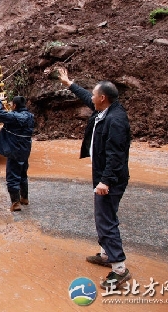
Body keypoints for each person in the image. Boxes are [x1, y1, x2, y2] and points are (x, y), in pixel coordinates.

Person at [57, 67, 132, 290]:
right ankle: (106, 254)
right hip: (103, 175)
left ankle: (119, 268)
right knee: (104, 216)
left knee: (105, 220)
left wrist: (105, 181)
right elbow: (86, 99)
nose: (90, 97)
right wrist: (68, 84)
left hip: (110, 179)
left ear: (102, 98)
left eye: (93, 94)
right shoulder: (105, 111)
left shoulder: (116, 121)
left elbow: (116, 156)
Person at [0, 95, 35, 212]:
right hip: (25, 151)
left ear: (15, 106)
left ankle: (15, 204)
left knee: (12, 177)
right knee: (23, 174)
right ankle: (24, 198)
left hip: (14, 151)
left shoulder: (14, 117)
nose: (11, 107)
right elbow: (13, 120)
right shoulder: (30, 116)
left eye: (11, 105)